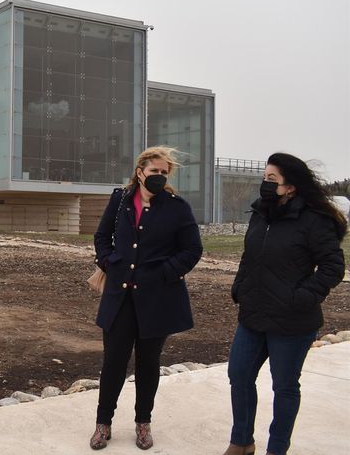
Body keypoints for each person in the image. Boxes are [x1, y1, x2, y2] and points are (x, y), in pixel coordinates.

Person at [222, 153, 346, 455]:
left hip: (292, 322)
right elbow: (249, 255)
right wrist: (240, 286)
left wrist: (302, 297)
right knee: (238, 375)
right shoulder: (260, 213)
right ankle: (241, 442)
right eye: (264, 178)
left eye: (271, 179)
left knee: (285, 387)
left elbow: (333, 267)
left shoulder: (313, 220)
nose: (264, 184)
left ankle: (277, 449)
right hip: (253, 314)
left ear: (290, 186)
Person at [90, 146, 203, 450]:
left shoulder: (177, 207)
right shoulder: (120, 200)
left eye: (164, 172)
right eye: (154, 171)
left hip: (158, 300)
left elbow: (192, 250)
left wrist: (164, 272)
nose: (160, 176)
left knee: (148, 364)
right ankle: (104, 423)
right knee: (113, 362)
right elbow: (102, 238)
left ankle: (143, 423)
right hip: (120, 298)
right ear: (140, 172)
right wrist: (109, 263)